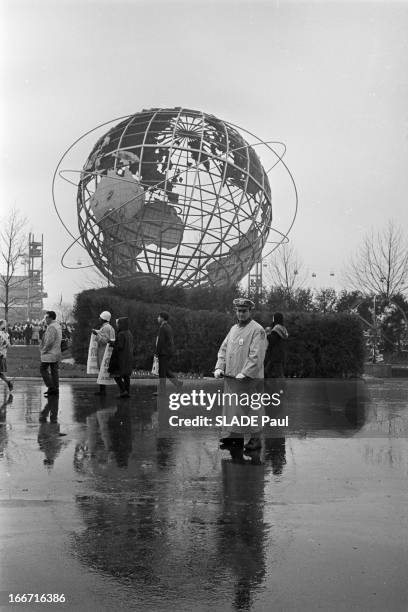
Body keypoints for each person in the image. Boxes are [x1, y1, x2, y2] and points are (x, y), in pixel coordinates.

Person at [214, 298, 267, 452]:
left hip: (249, 379)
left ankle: (255, 438)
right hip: (232, 378)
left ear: (250, 311)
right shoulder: (233, 329)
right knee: (234, 408)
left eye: (244, 311)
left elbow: (256, 355)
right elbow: (223, 349)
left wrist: (245, 373)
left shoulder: (258, 330)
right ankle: (235, 435)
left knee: (251, 408)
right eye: (238, 310)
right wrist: (219, 367)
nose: (241, 313)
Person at [154, 311, 182, 394]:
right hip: (168, 352)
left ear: (162, 318)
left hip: (163, 353)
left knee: (162, 372)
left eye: (159, 317)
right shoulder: (168, 327)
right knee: (165, 371)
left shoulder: (162, 327)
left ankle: (162, 391)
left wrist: (157, 352)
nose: (157, 318)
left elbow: (160, 342)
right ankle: (178, 383)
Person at [109, 317, 134, 398]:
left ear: (121, 324)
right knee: (126, 376)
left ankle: (123, 391)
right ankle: (127, 392)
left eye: (118, 324)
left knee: (116, 375)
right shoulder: (129, 333)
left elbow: (120, 346)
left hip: (121, 358)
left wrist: (112, 344)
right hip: (128, 357)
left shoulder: (121, 334)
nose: (117, 325)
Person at [92, 311, 115, 396]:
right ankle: (102, 390)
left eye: (100, 318)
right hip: (106, 351)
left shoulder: (105, 328)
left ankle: (102, 391)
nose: (99, 319)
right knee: (103, 370)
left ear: (103, 319)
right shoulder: (109, 327)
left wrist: (96, 334)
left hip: (103, 351)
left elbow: (104, 341)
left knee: (102, 370)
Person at [40, 311, 62, 397]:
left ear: (50, 318)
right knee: (54, 371)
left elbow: (50, 341)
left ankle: (51, 387)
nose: (45, 319)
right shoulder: (57, 326)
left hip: (50, 352)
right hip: (56, 352)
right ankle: (55, 389)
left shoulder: (51, 327)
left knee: (43, 369)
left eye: (46, 317)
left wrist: (44, 350)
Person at [264, 312, 288, 379]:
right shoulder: (283, 328)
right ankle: (272, 388)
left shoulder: (276, 328)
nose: (273, 319)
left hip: (276, 355)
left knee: (279, 375)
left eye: (273, 318)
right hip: (279, 354)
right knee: (267, 371)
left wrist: (267, 333)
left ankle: (282, 388)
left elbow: (272, 341)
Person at [0, 320, 13, 392]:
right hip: (3, 355)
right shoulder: (6, 334)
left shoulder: (2, 334)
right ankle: (8, 382)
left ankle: (8, 382)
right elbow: (9, 345)